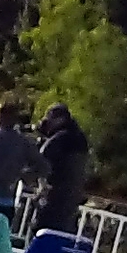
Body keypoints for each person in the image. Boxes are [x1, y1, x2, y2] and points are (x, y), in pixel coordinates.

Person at [34, 102, 92, 238]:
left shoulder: (60, 138)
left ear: (59, 119)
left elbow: (41, 160)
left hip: (55, 194)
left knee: (43, 231)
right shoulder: (79, 138)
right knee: (61, 234)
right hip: (72, 197)